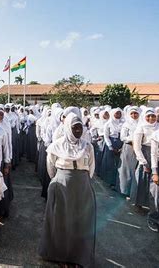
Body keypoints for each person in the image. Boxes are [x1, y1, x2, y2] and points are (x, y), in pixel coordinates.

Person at [39, 113, 95, 267]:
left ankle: (78, 257)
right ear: (67, 128)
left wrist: (82, 182)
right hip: (62, 186)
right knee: (61, 221)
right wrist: (60, 180)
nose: (78, 130)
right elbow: (51, 167)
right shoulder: (57, 145)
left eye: (80, 127)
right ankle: (61, 256)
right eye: (74, 127)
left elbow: (91, 167)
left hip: (82, 188)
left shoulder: (87, 146)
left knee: (80, 222)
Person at [117, 106, 139, 197]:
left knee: (136, 170)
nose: (134, 115)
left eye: (136, 113)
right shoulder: (126, 124)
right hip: (129, 147)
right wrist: (133, 139)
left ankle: (134, 191)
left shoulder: (141, 123)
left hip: (138, 148)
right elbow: (123, 137)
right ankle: (124, 189)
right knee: (127, 170)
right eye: (132, 113)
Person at [101, 108, 123, 187]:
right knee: (111, 164)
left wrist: (122, 146)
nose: (118, 115)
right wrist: (110, 147)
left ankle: (118, 182)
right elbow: (106, 136)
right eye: (116, 114)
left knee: (119, 164)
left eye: (119, 113)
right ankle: (110, 181)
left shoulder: (123, 123)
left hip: (121, 144)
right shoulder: (108, 123)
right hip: (111, 144)